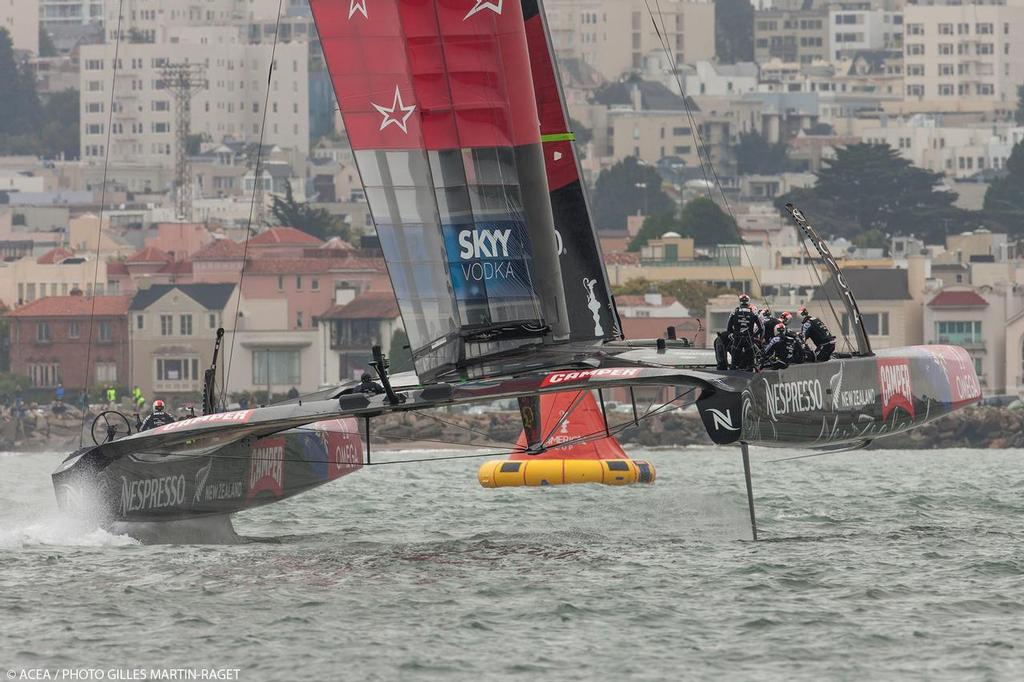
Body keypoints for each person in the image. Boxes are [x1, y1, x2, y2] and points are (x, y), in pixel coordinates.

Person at [715, 294, 763, 371]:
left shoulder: (734, 312)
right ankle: (750, 377)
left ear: (740, 302)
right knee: (750, 363)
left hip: (737, 338)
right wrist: (754, 336)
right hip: (749, 339)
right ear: (748, 302)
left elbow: (729, 328)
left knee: (734, 362)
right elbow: (761, 328)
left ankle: (732, 377)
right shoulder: (753, 314)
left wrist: (733, 334)